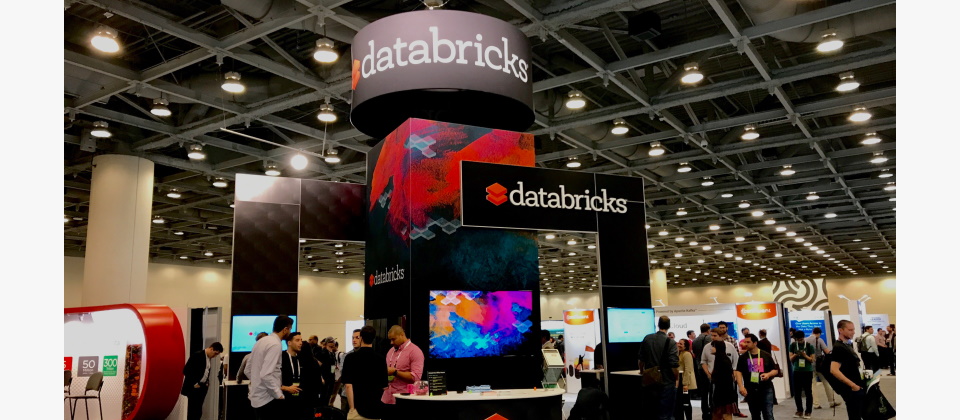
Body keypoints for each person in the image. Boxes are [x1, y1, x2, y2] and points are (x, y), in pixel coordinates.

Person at [246, 315, 293, 418]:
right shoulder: (275, 344)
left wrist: (257, 384)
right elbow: (266, 374)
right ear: (285, 329)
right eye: (290, 329)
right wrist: (278, 394)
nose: (290, 332)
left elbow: (247, 370)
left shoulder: (261, 341)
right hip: (268, 399)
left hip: (256, 398)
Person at [638, 316, 679, 420]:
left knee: (650, 411)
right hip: (666, 380)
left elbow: (641, 360)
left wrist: (642, 371)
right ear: (669, 326)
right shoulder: (671, 342)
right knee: (666, 413)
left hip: (650, 379)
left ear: (658, 324)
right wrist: (676, 378)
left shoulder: (647, 338)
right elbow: (673, 365)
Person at [342, 326, 387, 420]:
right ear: (374, 339)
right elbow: (384, 387)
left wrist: (352, 408)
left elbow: (348, 385)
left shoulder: (350, 358)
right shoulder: (381, 359)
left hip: (357, 408)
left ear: (361, 338)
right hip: (375, 409)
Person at [382, 326, 424, 414]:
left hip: (404, 399)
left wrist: (395, 372)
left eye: (393, 339)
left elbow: (416, 377)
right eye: (390, 340)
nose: (391, 342)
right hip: (387, 399)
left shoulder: (415, 351)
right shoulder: (390, 351)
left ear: (402, 335)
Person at [734, 334, 779, 420]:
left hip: (765, 388)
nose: (745, 344)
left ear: (755, 343)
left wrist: (768, 374)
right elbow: (738, 371)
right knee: (755, 415)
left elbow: (775, 370)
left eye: (748, 342)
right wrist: (741, 386)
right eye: (745, 342)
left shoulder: (765, 355)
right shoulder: (743, 357)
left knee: (768, 414)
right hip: (750, 389)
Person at [831, 320, 867, 420]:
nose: (853, 332)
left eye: (853, 329)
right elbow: (834, 370)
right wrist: (853, 385)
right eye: (850, 330)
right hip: (851, 389)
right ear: (840, 330)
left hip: (857, 385)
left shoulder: (847, 345)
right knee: (854, 415)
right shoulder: (838, 347)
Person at [181, 342, 223, 420]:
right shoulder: (197, 355)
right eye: (215, 353)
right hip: (194, 388)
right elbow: (186, 370)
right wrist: (194, 383)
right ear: (211, 349)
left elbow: (206, 371)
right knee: (192, 411)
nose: (215, 356)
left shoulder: (208, 358)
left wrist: (207, 382)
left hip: (202, 387)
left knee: (198, 411)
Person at [714, 323, 746, 418]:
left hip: (727, 377)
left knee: (729, 399)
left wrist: (735, 372)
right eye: (720, 327)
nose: (722, 329)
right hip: (718, 379)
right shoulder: (711, 344)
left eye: (723, 327)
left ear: (727, 328)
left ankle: (735, 410)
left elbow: (736, 356)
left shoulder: (731, 341)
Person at [805, 327, 838, 409]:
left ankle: (816, 404)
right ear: (819, 333)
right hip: (820, 365)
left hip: (809, 364)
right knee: (826, 382)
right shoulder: (819, 340)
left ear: (812, 332)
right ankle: (831, 401)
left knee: (813, 385)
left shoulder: (806, 340)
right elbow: (827, 351)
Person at [281, 332, 309, 418]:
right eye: (297, 340)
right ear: (289, 343)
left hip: (300, 401)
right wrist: (286, 388)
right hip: (284, 400)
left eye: (301, 340)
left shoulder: (302, 358)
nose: (300, 343)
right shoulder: (281, 357)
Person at [709, 340, 738, 420]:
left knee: (725, 414)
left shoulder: (723, 360)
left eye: (713, 347)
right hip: (722, 391)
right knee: (718, 414)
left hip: (724, 392)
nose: (711, 349)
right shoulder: (720, 359)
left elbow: (724, 378)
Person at [336, 329, 363, 413]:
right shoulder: (346, 356)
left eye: (357, 337)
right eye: (353, 338)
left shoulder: (366, 355)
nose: (354, 340)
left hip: (362, 395)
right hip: (346, 394)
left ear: (362, 339)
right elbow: (343, 374)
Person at [789, 330, 814, 418]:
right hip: (797, 371)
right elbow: (790, 358)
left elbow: (812, 359)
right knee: (797, 392)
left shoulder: (809, 346)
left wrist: (804, 355)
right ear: (796, 339)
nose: (800, 340)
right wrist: (796, 354)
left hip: (807, 371)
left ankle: (808, 411)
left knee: (808, 391)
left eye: (801, 339)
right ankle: (799, 410)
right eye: (798, 339)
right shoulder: (792, 345)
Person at [692, 323, 713, 420]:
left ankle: (704, 412)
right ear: (708, 330)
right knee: (711, 390)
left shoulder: (695, 340)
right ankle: (712, 410)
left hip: (699, 367)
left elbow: (695, 353)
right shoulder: (709, 339)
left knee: (703, 391)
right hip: (709, 367)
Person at [675, 339, 697, 420]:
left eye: (681, 344)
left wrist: (685, 384)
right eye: (678, 343)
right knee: (680, 403)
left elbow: (688, 370)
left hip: (685, 381)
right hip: (679, 380)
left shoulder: (687, 354)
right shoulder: (679, 353)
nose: (679, 345)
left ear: (685, 346)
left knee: (686, 403)